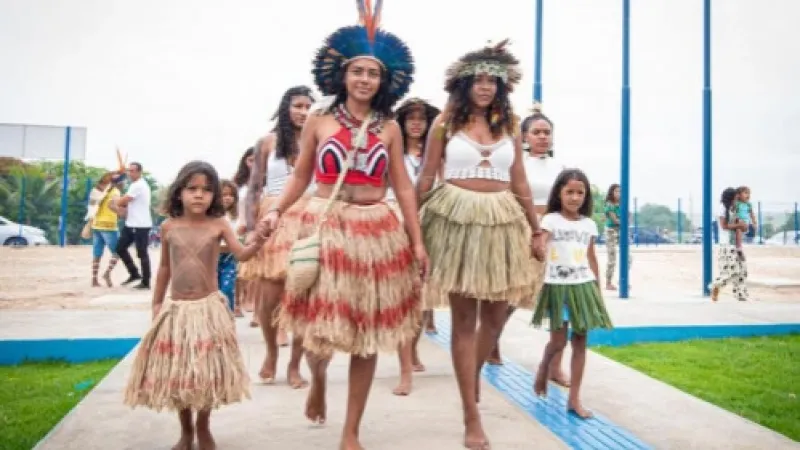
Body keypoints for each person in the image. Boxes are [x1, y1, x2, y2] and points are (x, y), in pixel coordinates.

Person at [261, 5, 426, 448]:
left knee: (367, 335)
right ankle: (316, 377)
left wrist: (417, 241)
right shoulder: (320, 120)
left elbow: (404, 188)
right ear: (342, 74)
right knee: (319, 332)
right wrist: (276, 210)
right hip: (327, 226)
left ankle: (351, 430)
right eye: (358, 71)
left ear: (384, 80)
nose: (365, 79)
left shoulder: (389, 127)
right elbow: (300, 175)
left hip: (376, 233)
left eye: (373, 73)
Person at [416, 40, 544, 449]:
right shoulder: (445, 124)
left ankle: (469, 378)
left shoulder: (509, 124)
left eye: (493, 80)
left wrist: (536, 228)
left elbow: (521, 180)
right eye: (479, 79)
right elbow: (424, 177)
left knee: (496, 316)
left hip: (503, 221)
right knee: (464, 317)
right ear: (465, 83)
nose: (486, 87)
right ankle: (472, 415)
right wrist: (409, 227)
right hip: (455, 221)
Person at [124, 161, 266, 450]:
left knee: (204, 373)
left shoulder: (219, 225)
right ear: (179, 192)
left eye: (206, 190)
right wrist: (156, 304)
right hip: (177, 311)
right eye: (192, 189)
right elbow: (164, 267)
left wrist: (259, 240)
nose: (199, 195)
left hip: (208, 310)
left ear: (214, 195)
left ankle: (204, 427)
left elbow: (241, 255)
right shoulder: (168, 227)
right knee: (181, 375)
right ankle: (186, 432)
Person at [487, 104, 571, 387]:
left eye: (547, 132)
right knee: (514, 295)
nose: (543, 137)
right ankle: (492, 340)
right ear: (523, 136)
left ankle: (555, 365)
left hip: (556, 236)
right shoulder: (514, 163)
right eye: (537, 132)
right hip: (522, 230)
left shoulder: (561, 168)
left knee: (560, 300)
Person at [244, 85, 315, 387]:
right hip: (273, 219)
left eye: (308, 107)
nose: (303, 112)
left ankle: (295, 365)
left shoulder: (319, 141)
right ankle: (272, 353)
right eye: (298, 105)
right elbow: (254, 188)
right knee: (270, 295)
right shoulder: (267, 143)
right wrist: (250, 227)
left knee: (303, 294)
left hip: (310, 219)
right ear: (286, 107)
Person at [531, 168, 613, 420]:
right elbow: (540, 243)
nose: (575, 197)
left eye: (580, 193)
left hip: (583, 286)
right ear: (559, 192)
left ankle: (574, 398)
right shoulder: (550, 220)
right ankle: (544, 366)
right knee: (558, 341)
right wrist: (539, 247)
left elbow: (591, 257)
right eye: (570, 192)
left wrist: (597, 289)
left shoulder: (589, 224)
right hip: (557, 287)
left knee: (580, 342)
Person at [389, 97, 441, 397]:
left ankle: (414, 350)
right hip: (397, 225)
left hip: (430, 224)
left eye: (422, 118)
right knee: (404, 299)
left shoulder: (437, 153)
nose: (417, 123)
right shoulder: (392, 149)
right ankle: (405, 369)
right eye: (411, 117)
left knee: (422, 300)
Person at [116, 162, 153, 289]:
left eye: (132, 171)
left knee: (142, 253)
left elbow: (122, 201)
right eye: (129, 171)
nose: (129, 173)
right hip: (131, 223)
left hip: (141, 225)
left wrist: (116, 200)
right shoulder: (134, 185)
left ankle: (146, 281)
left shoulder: (139, 185)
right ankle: (134, 273)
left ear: (139, 172)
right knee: (120, 248)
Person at [709, 187, 750, 301]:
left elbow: (738, 230)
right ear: (730, 198)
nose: (737, 200)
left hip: (734, 245)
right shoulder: (722, 209)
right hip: (726, 245)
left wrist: (739, 246)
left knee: (742, 271)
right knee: (732, 271)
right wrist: (740, 225)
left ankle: (741, 295)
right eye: (735, 198)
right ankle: (716, 285)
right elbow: (724, 226)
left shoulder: (735, 210)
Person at [86, 171, 123, 287]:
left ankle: (94, 279)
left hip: (96, 224)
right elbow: (114, 206)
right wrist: (122, 213)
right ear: (120, 182)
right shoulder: (115, 192)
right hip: (109, 225)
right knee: (119, 251)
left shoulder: (98, 191)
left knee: (97, 254)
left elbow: (91, 207)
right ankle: (107, 273)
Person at [232, 147, 255, 317]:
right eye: (250, 160)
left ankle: (252, 300)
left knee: (256, 268)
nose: (253, 163)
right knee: (239, 268)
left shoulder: (269, 181)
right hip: (239, 226)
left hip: (258, 227)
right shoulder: (237, 184)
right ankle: (238, 301)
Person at [604, 183, 632, 290]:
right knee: (612, 258)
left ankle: (622, 279)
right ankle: (608, 282)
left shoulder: (623, 204)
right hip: (611, 231)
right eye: (616, 191)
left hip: (622, 231)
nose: (619, 193)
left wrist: (626, 221)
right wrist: (624, 221)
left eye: (620, 191)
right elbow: (615, 219)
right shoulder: (609, 205)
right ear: (612, 192)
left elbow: (629, 216)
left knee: (628, 258)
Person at [218, 179, 240, 311]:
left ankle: (228, 318)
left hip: (229, 258)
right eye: (224, 195)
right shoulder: (212, 216)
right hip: (213, 257)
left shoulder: (235, 216)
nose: (227, 198)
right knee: (214, 291)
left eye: (231, 195)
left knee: (227, 288)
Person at [733, 186, 757, 256]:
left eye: (749, 193)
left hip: (746, 223)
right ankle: (738, 247)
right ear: (739, 195)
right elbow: (733, 210)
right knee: (738, 230)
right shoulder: (737, 203)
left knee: (743, 231)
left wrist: (754, 222)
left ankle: (740, 246)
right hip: (738, 222)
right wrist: (735, 199)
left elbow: (752, 214)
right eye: (746, 193)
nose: (748, 195)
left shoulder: (748, 204)